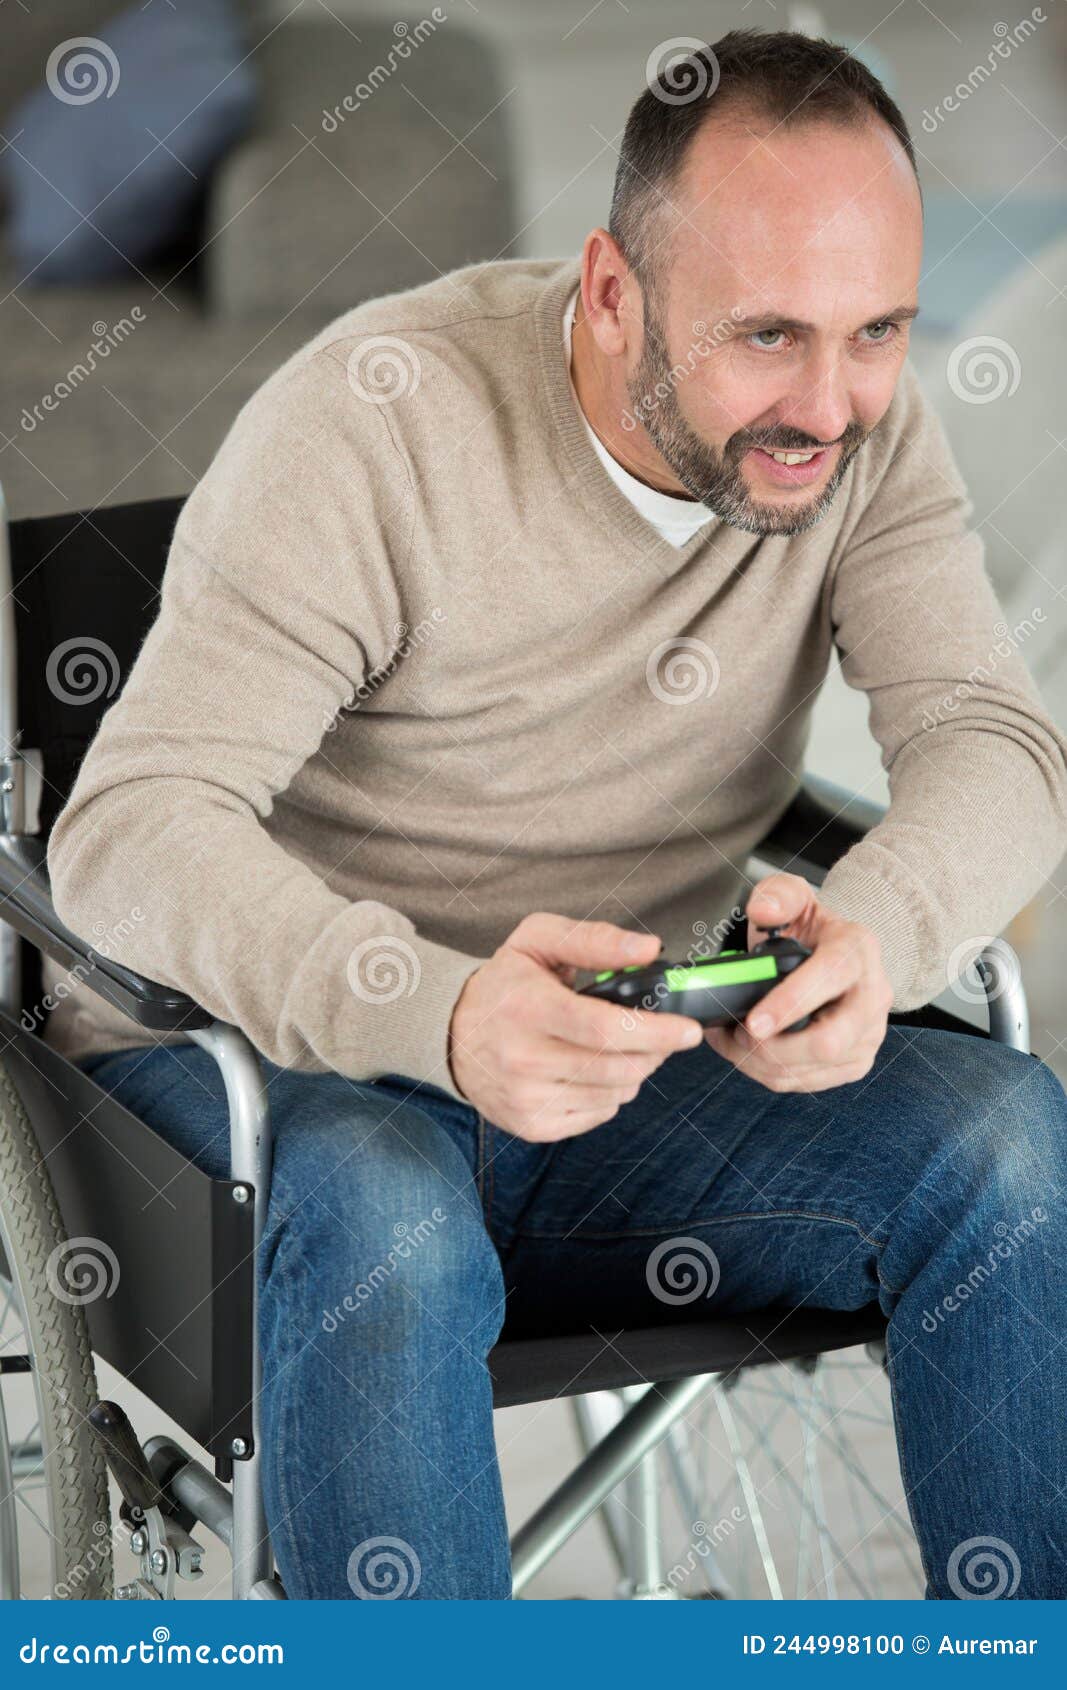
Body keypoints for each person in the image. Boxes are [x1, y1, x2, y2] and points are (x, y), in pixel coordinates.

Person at [44, 30, 1067, 1598]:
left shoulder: (861, 438)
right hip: (257, 1071)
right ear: (610, 292)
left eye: (878, 332)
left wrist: (882, 925)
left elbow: (1000, 743)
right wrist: (439, 1011)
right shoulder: (378, 425)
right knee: (390, 1202)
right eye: (768, 336)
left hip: (610, 1074)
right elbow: (129, 828)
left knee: (1001, 1135)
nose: (828, 401)